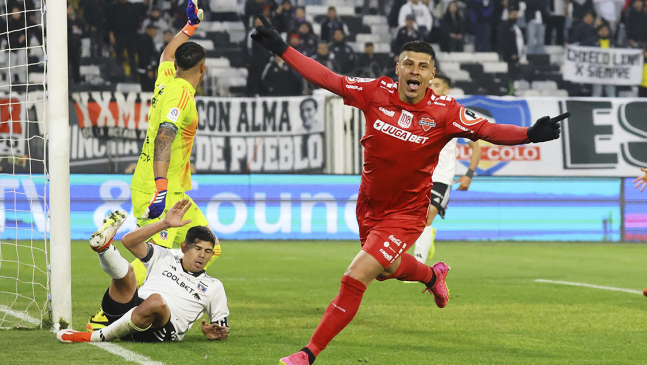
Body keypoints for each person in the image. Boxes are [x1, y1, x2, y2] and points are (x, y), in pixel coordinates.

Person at [251, 15, 566, 365]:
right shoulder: (375, 92)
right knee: (385, 270)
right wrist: (281, 48)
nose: (415, 71)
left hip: (405, 213)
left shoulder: (446, 112)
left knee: (356, 276)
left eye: (424, 66)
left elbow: (487, 130)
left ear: (432, 76)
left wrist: (528, 134)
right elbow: (327, 78)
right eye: (409, 64)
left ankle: (308, 354)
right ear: (397, 68)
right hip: (368, 205)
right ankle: (433, 274)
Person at [87, 0, 222, 331]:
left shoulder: (166, 78)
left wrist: (188, 27)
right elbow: (165, 135)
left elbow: (166, 54)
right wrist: (162, 187)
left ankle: (156, 296)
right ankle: (109, 311)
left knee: (210, 247)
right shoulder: (182, 96)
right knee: (154, 254)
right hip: (160, 186)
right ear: (202, 69)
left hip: (164, 183)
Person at [57, 200, 229, 343]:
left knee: (157, 301)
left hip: (158, 330)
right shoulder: (164, 256)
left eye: (207, 251)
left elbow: (221, 328)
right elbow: (129, 242)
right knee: (128, 272)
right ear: (184, 247)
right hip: (125, 313)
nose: (202, 255)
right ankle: (104, 249)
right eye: (197, 248)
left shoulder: (214, 286)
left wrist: (211, 331)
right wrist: (165, 223)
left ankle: (93, 337)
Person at [412, 74, 481, 264]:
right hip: (417, 174)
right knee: (414, 220)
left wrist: (469, 174)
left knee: (427, 215)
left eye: (437, 85)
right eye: (430, 84)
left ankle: (417, 265)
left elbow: (475, 146)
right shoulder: (417, 110)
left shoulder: (456, 113)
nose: (432, 87)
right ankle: (427, 237)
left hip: (441, 175)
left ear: (447, 90)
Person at [499, 4, 523, 95]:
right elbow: (507, 41)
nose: (515, 16)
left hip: (516, 55)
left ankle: (513, 89)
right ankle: (509, 90)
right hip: (509, 55)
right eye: (514, 14)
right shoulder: (506, 26)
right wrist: (511, 53)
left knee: (515, 73)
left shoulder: (515, 26)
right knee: (510, 74)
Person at [591, 23, 617, 97]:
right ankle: (594, 106)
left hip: (610, 69)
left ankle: (613, 107)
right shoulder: (593, 41)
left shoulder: (613, 42)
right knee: (597, 91)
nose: (604, 32)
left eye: (606, 30)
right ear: (598, 31)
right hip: (597, 69)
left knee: (611, 91)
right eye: (602, 30)